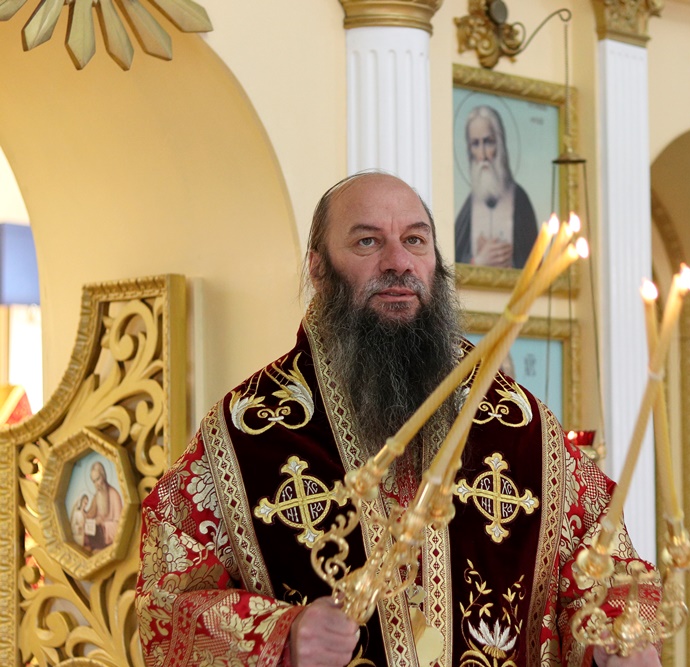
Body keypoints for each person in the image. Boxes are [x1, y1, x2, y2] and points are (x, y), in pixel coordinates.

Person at [136, 172, 660, 667]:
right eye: (368, 242)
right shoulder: (247, 432)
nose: (398, 262)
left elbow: (603, 560)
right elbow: (167, 604)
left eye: (415, 240)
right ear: (317, 267)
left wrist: (619, 632)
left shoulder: (515, 420)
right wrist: (281, 636)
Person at [454, 106, 540, 269]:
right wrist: (477, 261)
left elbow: (534, 264)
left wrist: (508, 262)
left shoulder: (520, 200)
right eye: (475, 144)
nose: (483, 155)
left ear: (500, 144)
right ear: (469, 150)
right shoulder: (468, 206)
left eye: (488, 142)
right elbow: (452, 264)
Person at [83, 460, 123, 551]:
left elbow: (120, 524)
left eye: (98, 479)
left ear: (103, 476)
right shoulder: (96, 496)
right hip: (96, 535)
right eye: (94, 481)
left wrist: (101, 525)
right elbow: (90, 515)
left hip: (106, 535)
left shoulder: (114, 494)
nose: (96, 484)